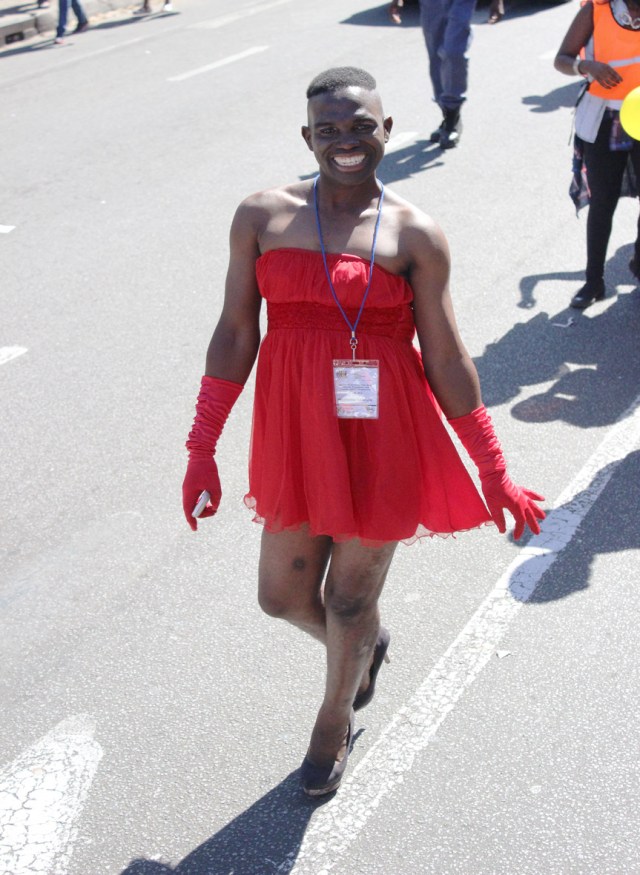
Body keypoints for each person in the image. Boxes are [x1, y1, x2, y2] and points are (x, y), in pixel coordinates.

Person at [181, 67, 544, 797]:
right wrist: (201, 446)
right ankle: (363, 648)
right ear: (307, 137)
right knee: (281, 596)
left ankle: (333, 719)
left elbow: (446, 355)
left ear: (386, 129)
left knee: (349, 595)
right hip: (295, 434)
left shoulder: (416, 233)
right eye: (328, 130)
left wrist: (493, 469)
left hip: (385, 434)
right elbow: (232, 333)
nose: (346, 141)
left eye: (361, 127)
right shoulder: (262, 215)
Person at [555, 0, 640, 309]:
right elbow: (561, 59)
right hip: (604, 119)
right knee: (602, 202)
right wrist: (585, 66)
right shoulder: (596, 10)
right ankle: (594, 282)